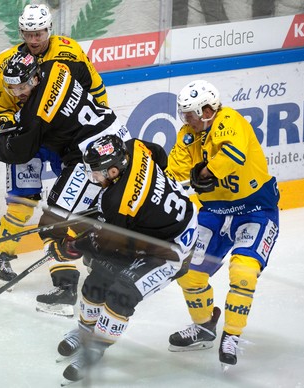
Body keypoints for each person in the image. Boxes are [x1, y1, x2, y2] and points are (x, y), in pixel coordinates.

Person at [0, 51, 129, 318]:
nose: (18, 93)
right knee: (94, 213)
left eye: (23, 86)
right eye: (12, 87)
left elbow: (20, 150)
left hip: (90, 158)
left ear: (35, 77)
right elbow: (83, 77)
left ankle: (65, 290)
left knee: (53, 222)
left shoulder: (35, 112)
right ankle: (102, 268)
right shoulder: (57, 66)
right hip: (115, 137)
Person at [0, 4, 108, 314]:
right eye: (27, 34)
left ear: (49, 29)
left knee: (76, 202)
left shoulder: (69, 50)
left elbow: (95, 87)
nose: (33, 39)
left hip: (61, 139)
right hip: (27, 138)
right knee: (23, 203)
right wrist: (8, 125)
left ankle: (88, 249)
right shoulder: (7, 62)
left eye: (38, 33)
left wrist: (96, 126)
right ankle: (1, 261)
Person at [54, 135, 198, 384]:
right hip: (149, 232)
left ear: (113, 169)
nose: (94, 178)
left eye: (97, 173)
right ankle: (86, 331)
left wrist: (72, 245)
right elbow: (159, 156)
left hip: (172, 250)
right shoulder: (134, 148)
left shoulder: (117, 201)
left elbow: (105, 243)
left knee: (123, 292)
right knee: (97, 279)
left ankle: (96, 347)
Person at [165, 79, 280, 368]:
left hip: (255, 211)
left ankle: (231, 334)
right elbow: (173, 172)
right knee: (188, 272)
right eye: (183, 115)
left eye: (190, 114)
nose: (187, 121)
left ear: (207, 109)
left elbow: (232, 155)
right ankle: (204, 327)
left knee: (243, 272)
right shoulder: (187, 136)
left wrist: (204, 171)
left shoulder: (229, 119)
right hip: (214, 212)